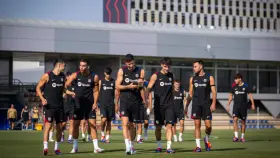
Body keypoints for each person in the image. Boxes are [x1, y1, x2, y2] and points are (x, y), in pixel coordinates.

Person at [65, 59, 104, 154]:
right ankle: (75, 147)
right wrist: (70, 92)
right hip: (78, 104)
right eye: (80, 65)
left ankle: (96, 148)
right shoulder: (75, 75)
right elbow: (65, 85)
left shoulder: (94, 77)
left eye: (83, 66)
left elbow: (96, 91)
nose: (81, 67)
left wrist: (95, 103)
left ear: (88, 66)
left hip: (90, 105)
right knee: (75, 125)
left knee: (93, 125)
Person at [115, 54, 145, 155]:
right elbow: (118, 86)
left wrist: (140, 83)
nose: (130, 66)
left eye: (132, 63)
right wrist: (128, 86)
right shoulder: (121, 70)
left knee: (133, 125)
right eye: (128, 64)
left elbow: (141, 87)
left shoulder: (141, 70)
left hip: (136, 102)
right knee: (125, 124)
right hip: (124, 101)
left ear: (134, 61)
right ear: (125, 63)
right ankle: (127, 147)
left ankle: (132, 145)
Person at [185, 60, 216, 152]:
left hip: (206, 105)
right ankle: (198, 146)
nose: (193, 68)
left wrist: (213, 103)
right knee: (197, 125)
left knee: (208, 126)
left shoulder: (209, 77)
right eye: (193, 66)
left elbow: (214, 92)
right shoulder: (192, 79)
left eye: (195, 66)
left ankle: (206, 139)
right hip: (196, 105)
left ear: (201, 66)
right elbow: (190, 94)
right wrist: (186, 106)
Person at [36, 59, 66, 155]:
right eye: (63, 65)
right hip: (49, 106)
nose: (64, 67)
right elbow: (38, 88)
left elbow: (63, 90)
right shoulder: (47, 75)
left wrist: (66, 94)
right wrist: (42, 98)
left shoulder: (63, 76)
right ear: (59, 65)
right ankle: (45, 148)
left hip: (60, 106)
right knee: (48, 126)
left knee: (59, 127)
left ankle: (57, 148)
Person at [145, 57, 175, 154]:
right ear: (161, 65)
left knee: (169, 126)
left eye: (168, 67)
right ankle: (159, 146)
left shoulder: (171, 76)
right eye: (165, 66)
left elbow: (173, 90)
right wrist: (145, 98)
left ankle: (169, 147)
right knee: (158, 127)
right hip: (158, 106)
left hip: (169, 105)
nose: (167, 68)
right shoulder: (156, 76)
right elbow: (148, 88)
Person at [226, 74, 255, 142]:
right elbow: (230, 95)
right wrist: (228, 104)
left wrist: (253, 104)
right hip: (236, 107)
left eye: (236, 79)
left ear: (240, 79)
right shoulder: (233, 86)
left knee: (243, 122)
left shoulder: (246, 86)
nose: (235, 80)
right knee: (235, 119)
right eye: (234, 79)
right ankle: (236, 137)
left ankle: (242, 137)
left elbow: (250, 95)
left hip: (243, 107)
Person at [99, 67, 118, 143]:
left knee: (109, 122)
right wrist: (96, 103)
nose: (108, 75)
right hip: (103, 104)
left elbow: (116, 94)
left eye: (109, 74)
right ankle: (102, 134)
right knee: (103, 120)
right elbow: (97, 92)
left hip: (111, 105)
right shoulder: (101, 82)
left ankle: (107, 138)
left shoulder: (114, 82)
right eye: (107, 74)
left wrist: (116, 105)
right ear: (104, 73)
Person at [64, 72, 75, 143]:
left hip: (72, 107)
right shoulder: (64, 86)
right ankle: (61, 134)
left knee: (72, 122)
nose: (70, 78)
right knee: (63, 123)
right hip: (64, 106)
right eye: (69, 77)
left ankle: (70, 138)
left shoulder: (75, 85)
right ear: (67, 77)